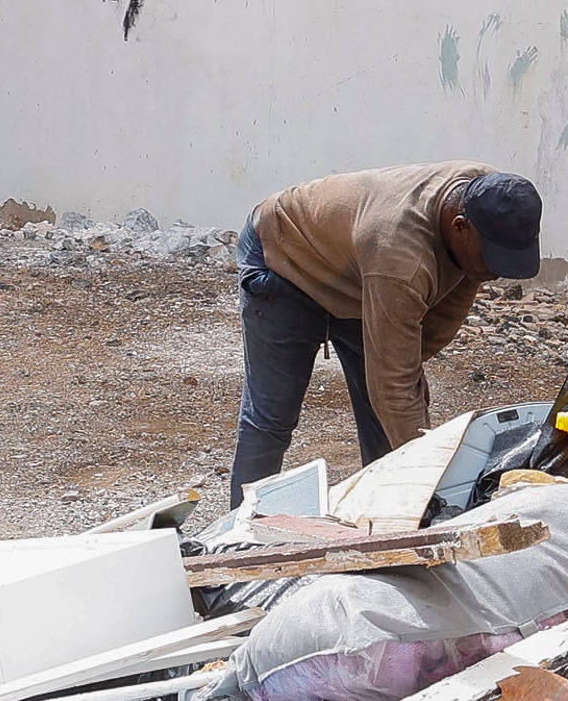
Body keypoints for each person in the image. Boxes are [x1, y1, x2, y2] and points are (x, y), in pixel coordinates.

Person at [232, 164, 541, 500]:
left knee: (386, 422)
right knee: (271, 419)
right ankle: (233, 539)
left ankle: (387, 527)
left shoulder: (492, 197)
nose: (495, 275)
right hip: (285, 259)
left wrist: (409, 381)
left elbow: (452, 301)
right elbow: (394, 384)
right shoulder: (399, 255)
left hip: (358, 277)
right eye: (491, 260)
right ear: (460, 228)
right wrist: (431, 486)